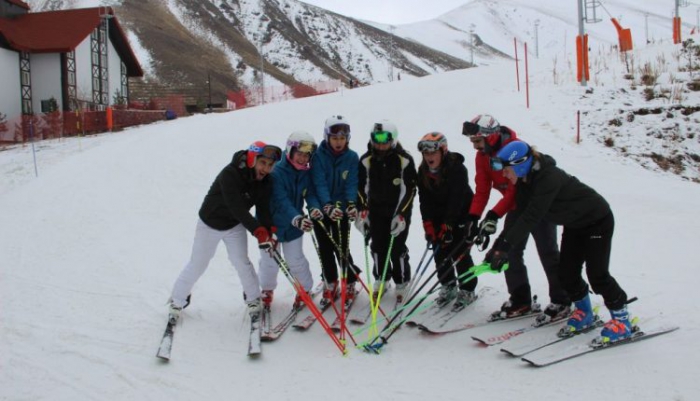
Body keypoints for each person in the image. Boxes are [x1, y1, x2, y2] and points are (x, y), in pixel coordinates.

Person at [486, 140, 633, 343]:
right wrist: (498, 248)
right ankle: (585, 313)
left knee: (597, 275)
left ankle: (623, 320)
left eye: (506, 169)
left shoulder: (548, 178)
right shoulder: (525, 181)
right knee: (566, 273)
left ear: (520, 165)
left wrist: (504, 247)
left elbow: (531, 217)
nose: (503, 174)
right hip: (575, 224)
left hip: (597, 220)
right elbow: (518, 216)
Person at [462, 114, 569, 322]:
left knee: (547, 251)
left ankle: (562, 299)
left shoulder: (515, 149)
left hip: (539, 206)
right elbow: (482, 189)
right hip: (516, 207)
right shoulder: (482, 156)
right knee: (507, 251)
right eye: (472, 142)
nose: (475, 146)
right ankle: (521, 299)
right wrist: (474, 217)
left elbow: (514, 190)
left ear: (490, 136)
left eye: (477, 141)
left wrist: (493, 215)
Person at [168, 141, 282, 322]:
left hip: (234, 225)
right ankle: (177, 300)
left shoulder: (265, 182)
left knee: (242, 262)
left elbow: (263, 210)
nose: (266, 169)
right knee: (198, 263)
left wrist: (269, 230)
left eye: (270, 165)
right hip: (210, 223)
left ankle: (253, 299)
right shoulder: (231, 173)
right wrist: (257, 231)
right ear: (253, 159)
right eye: (263, 163)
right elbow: (236, 207)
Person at [258, 131, 321, 308]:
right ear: (290, 151)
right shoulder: (277, 171)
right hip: (272, 225)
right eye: (299, 153)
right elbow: (280, 199)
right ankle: (267, 289)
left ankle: (305, 289)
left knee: (296, 260)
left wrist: (314, 208)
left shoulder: (305, 173)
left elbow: (311, 194)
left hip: (294, 226)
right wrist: (296, 218)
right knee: (269, 261)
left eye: (306, 155)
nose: (302, 159)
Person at [355, 120, 417, 301]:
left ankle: (402, 280)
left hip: (398, 211)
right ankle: (382, 278)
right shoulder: (366, 160)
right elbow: (361, 188)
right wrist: (363, 212)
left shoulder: (404, 160)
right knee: (377, 246)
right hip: (375, 210)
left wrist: (401, 214)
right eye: (376, 140)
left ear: (393, 140)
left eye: (384, 140)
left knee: (397, 248)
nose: (380, 144)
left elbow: (409, 190)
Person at [416, 132, 477, 310]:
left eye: (432, 153)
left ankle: (467, 289)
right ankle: (448, 285)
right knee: (439, 251)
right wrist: (427, 223)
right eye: (426, 154)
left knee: (460, 252)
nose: (429, 157)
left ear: (443, 151)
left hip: (462, 215)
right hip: (438, 216)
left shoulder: (457, 168)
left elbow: (457, 199)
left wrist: (448, 224)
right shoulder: (423, 171)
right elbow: (424, 199)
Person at [310, 115, 361, 305]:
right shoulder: (318, 157)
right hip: (321, 208)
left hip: (341, 209)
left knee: (341, 247)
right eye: (335, 138)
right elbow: (319, 183)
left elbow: (352, 182)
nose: (339, 142)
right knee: (325, 248)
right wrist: (327, 206)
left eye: (342, 138)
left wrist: (350, 203)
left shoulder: (351, 157)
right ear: (327, 137)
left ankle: (350, 280)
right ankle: (330, 281)